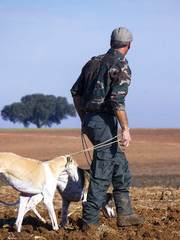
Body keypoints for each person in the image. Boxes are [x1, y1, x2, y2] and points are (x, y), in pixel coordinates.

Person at [70, 27, 146, 229]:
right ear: (130, 44)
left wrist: (84, 119)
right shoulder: (121, 65)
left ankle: (125, 214)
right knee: (101, 173)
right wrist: (126, 128)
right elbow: (117, 100)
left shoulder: (93, 61)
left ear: (111, 41)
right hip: (105, 124)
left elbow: (75, 91)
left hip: (92, 121)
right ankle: (90, 223)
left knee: (119, 166)